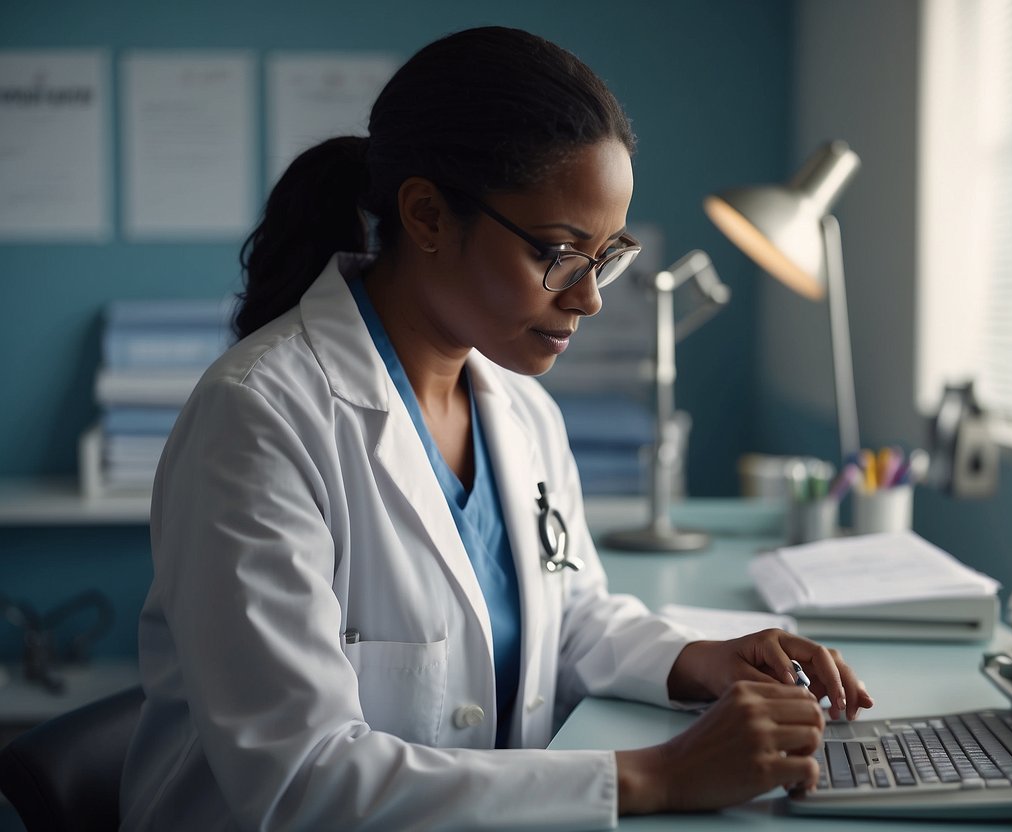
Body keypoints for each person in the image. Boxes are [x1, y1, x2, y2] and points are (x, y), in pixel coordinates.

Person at [119, 26, 874, 831]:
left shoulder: (517, 407)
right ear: (427, 215)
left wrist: (699, 660)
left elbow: (571, 611)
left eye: (606, 254)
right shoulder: (260, 419)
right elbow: (303, 779)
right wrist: (654, 776)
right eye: (558, 252)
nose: (588, 297)